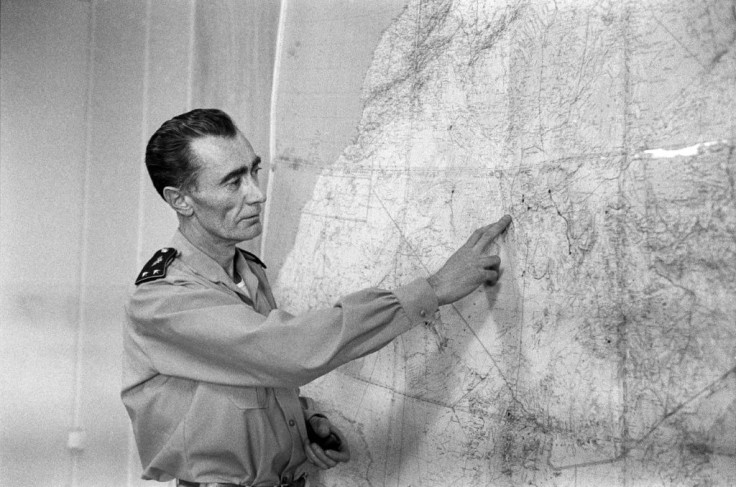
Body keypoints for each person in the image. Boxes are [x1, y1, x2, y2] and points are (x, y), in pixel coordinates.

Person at [122, 108, 512, 487]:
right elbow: (286, 352)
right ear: (181, 200)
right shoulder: (163, 299)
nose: (257, 194)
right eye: (233, 182)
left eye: (253, 171)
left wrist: (299, 425)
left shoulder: (246, 271)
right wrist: (433, 289)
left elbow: (247, 376)